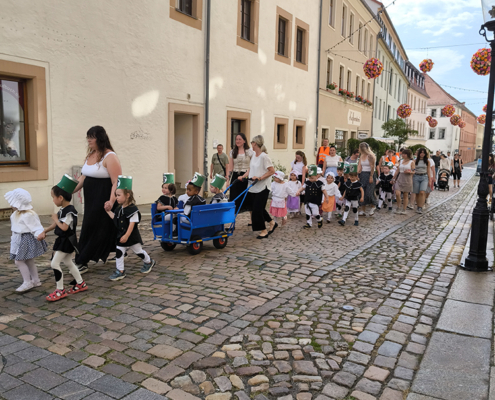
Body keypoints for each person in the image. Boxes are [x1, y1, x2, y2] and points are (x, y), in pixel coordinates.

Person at [73, 126, 122, 273]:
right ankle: (120, 249)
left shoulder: (110, 157)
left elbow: (116, 182)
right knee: (95, 227)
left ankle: (82, 260)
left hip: (103, 198)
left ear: (100, 139)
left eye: (92, 137)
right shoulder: (91, 155)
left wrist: (111, 201)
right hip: (90, 199)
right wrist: (67, 191)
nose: (88, 140)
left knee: (95, 228)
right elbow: (83, 177)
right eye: (88, 137)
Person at [42, 176, 88, 301]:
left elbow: (63, 227)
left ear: (60, 198)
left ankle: (60, 290)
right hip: (63, 240)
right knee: (68, 262)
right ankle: (80, 283)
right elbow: (56, 224)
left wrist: (56, 219)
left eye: (53, 197)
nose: (53, 200)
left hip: (66, 241)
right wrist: (45, 230)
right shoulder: (63, 210)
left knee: (54, 263)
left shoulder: (69, 212)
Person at [106, 176, 156, 281]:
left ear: (127, 195)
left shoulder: (133, 210)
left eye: (119, 195)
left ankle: (149, 261)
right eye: (116, 195)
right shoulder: (119, 209)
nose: (116, 197)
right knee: (119, 251)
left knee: (138, 251)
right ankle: (120, 271)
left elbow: (132, 224)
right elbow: (115, 218)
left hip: (131, 236)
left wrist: (126, 236)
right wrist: (108, 211)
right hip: (121, 235)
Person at [5, 188, 47, 292]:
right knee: (29, 260)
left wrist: (39, 234)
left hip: (26, 239)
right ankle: (36, 280)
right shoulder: (16, 214)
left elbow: (36, 226)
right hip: (19, 239)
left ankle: (27, 282)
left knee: (19, 261)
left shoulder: (29, 215)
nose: (11, 204)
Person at [241, 135, 276, 239]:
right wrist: (243, 176)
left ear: (255, 143)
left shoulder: (264, 157)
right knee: (257, 207)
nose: (251, 144)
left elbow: (272, 171)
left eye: (252, 142)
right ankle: (272, 222)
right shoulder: (253, 156)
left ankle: (263, 231)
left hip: (263, 187)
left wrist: (260, 178)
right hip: (253, 186)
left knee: (257, 209)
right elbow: (250, 169)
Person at [228, 133, 254, 213]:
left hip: (246, 175)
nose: (238, 141)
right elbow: (230, 167)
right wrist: (228, 179)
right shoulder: (233, 152)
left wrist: (245, 175)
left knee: (248, 199)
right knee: (234, 199)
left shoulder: (249, 152)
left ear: (244, 141)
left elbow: (252, 166)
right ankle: (233, 217)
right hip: (235, 176)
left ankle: (251, 218)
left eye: (240, 139)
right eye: (236, 139)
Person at [296, 165, 327, 229]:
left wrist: (327, 197)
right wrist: (298, 191)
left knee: (315, 214)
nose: (310, 179)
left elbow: (324, 191)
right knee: (308, 213)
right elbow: (302, 188)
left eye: (312, 178)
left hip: (315, 201)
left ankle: (319, 220)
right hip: (307, 200)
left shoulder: (320, 183)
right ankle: (309, 223)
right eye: (309, 178)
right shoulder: (307, 182)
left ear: (317, 176)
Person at [393, 149, 415, 214]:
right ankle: (398, 206)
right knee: (397, 193)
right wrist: (393, 178)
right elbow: (397, 170)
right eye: (402, 154)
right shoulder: (401, 161)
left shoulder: (411, 162)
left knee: (405, 195)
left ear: (408, 155)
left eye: (405, 154)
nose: (403, 155)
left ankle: (404, 209)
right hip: (400, 177)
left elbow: (414, 171)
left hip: (407, 178)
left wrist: (410, 172)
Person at [357, 142, 377, 216]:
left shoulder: (370, 156)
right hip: (363, 174)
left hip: (370, 174)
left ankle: (373, 206)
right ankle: (363, 210)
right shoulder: (362, 155)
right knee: (362, 192)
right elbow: (359, 166)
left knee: (369, 192)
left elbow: (372, 167)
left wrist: (371, 176)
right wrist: (357, 174)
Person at [413, 148, 431, 214]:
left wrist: (430, 180)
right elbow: (413, 169)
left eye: (423, 153)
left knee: (422, 192)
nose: (422, 154)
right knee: (417, 193)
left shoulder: (427, 161)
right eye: (421, 152)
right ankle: (418, 206)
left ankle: (420, 207)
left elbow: (428, 171)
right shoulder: (415, 161)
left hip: (424, 177)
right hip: (416, 176)